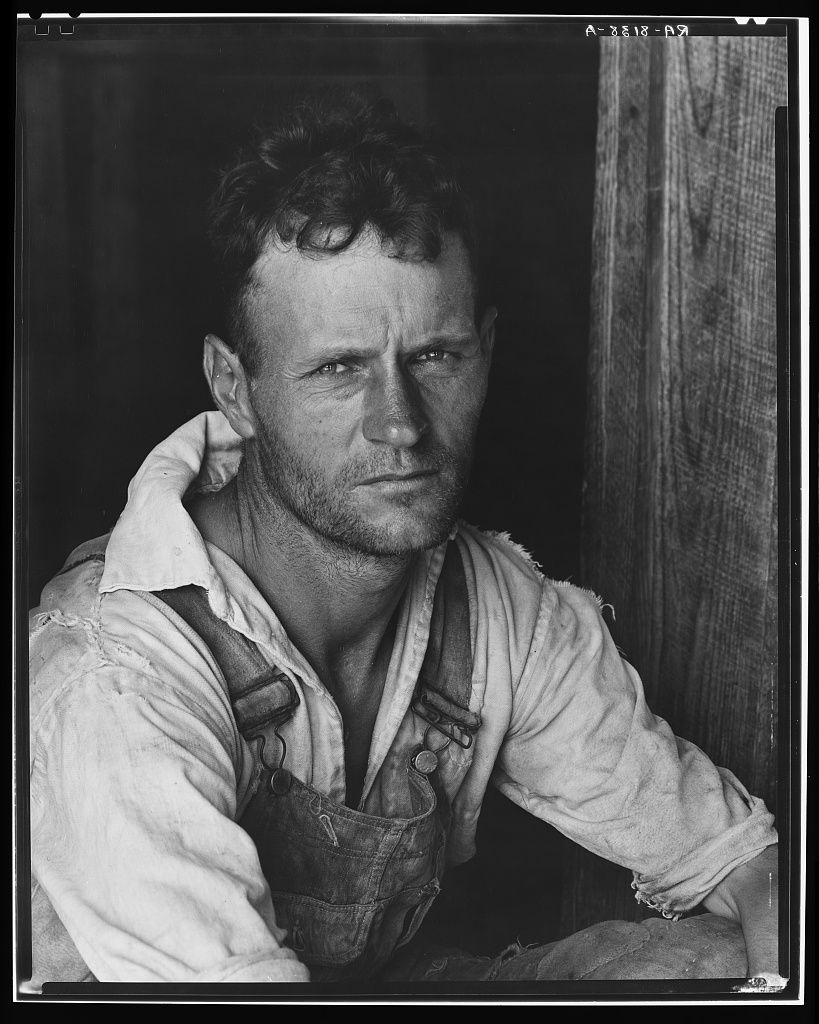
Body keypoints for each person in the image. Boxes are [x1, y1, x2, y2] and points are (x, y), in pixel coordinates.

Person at [27, 93, 780, 988]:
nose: (400, 426)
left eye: (433, 357)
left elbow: (744, 867)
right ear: (234, 386)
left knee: (716, 963)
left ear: (485, 353)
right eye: (339, 369)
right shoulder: (115, 676)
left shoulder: (496, 609)